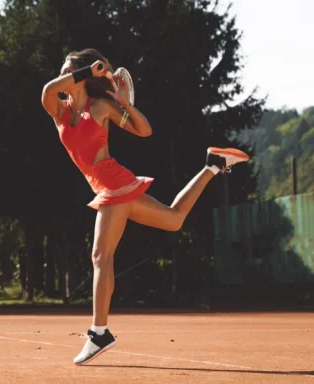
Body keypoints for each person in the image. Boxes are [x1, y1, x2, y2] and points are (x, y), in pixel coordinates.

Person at [40, 48, 249, 365]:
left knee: (101, 256)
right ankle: (213, 165)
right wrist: (87, 72)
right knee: (174, 220)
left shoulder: (100, 107)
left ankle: (99, 333)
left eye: (67, 70)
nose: (62, 76)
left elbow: (144, 130)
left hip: (112, 184)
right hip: (111, 186)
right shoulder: (59, 109)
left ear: (80, 77)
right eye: (62, 71)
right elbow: (47, 89)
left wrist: (124, 104)